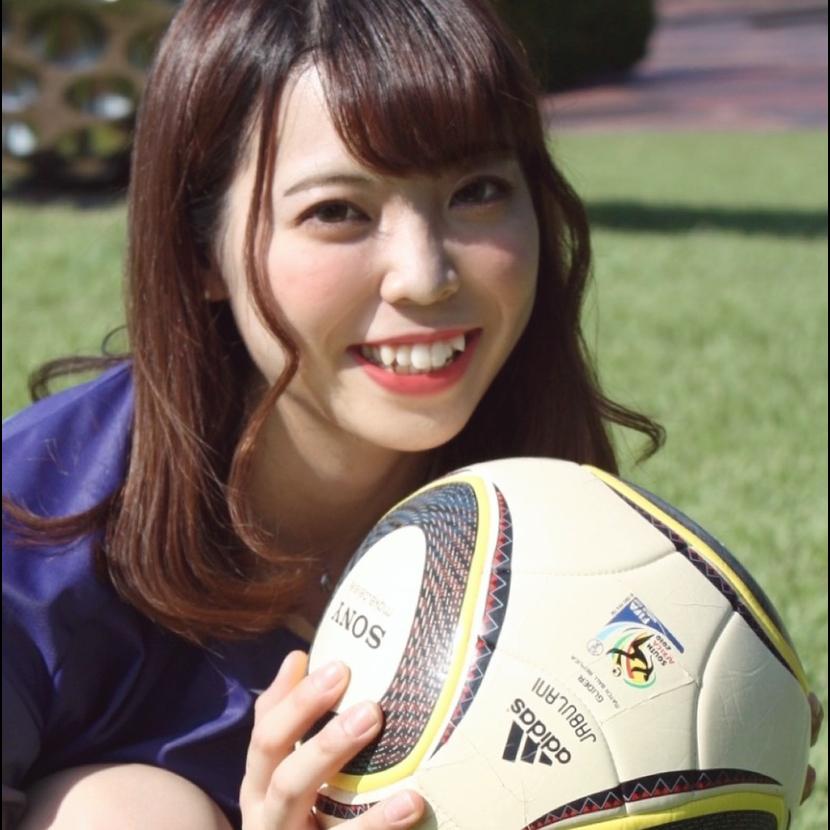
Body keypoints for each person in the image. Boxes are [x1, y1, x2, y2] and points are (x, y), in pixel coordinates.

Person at [2, 1, 821, 828]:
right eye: (338, 211)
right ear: (199, 249)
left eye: (477, 192)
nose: (425, 277)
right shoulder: (26, 549)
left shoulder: (545, 513)